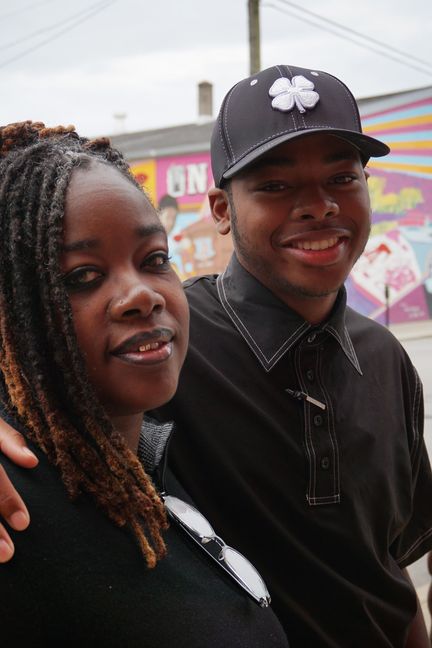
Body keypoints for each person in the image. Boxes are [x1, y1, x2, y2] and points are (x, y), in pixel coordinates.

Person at [1, 64, 432, 646]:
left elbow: (389, 564)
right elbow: (36, 359)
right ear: (221, 210)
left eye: (342, 178)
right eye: (276, 186)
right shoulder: (166, 346)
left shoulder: (385, 358)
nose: (319, 207)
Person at [0, 121, 289, 647]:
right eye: (81, 276)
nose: (141, 295)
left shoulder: (146, 450)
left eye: (154, 260)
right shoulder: (13, 514)